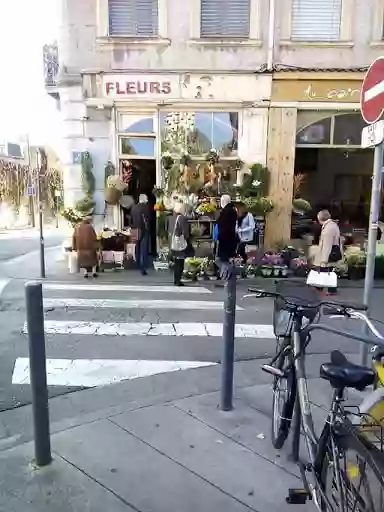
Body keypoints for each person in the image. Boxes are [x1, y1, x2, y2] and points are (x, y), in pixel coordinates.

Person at [315, 209, 341, 294]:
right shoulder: (332, 225)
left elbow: (327, 244)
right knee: (327, 271)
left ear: (320, 218)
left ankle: (330, 290)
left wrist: (324, 259)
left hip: (329, 253)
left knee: (327, 270)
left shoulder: (328, 228)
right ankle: (320, 287)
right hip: (332, 251)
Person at [169, 201, 190, 286]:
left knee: (176, 261)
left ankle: (176, 280)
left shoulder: (171, 218)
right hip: (179, 243)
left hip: (173, 242)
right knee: (180, 262)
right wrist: (187, 239)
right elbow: (185, 232)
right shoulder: (182, 218)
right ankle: (178, 280)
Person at [131, 194, 151, 276]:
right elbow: (148, 218)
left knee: (137, 246)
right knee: (144, 248)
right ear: (145, 199)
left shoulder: (134, 207)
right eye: (147, 199)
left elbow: (131, 219)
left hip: (135, 229)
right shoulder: (145, 207)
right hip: (144, 229)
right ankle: (144, 267)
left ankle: (137, 263)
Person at [217, 194, 238, 263]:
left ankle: (225, 272)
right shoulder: (232, 210)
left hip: (225, 237)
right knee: (229, 256)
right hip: (230, 236)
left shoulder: (225, 212)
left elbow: (223, 225)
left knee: (225, 258)